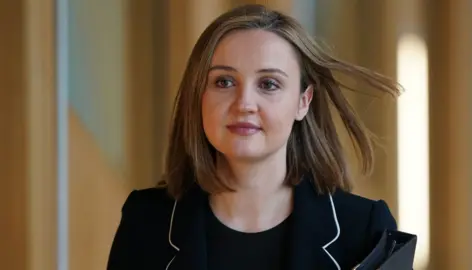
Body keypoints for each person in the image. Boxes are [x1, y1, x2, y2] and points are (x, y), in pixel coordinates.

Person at [107, 4, 401, 270]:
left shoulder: (365, 230)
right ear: (198, 95)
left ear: (303, 101)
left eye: (269, 84)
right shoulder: (145, 223)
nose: (244, 103)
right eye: (224, 82)